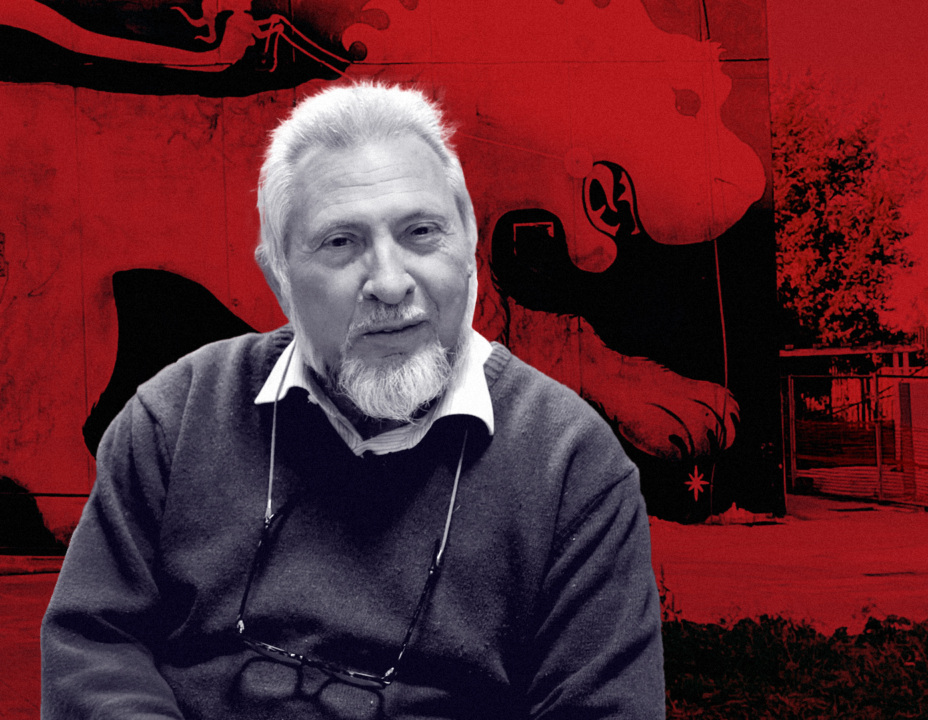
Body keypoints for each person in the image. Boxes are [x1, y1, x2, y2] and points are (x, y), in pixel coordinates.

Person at [41, 81, 665, 719]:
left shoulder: (571, 464)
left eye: (421, 232)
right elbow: (93, 650)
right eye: (341, 242)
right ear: (278, 275)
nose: (390, 284)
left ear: (469, 251)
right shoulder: (177, 415)